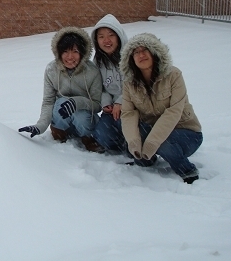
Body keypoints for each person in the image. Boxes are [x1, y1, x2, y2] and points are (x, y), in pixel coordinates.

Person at [120, 33, 203, 183]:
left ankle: (187, 171)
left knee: (163, 143)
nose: (141, 55)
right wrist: (134, 143)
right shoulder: (129, 83)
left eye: (145, 49)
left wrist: (152, 143)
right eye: (136, 52)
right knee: (132, 140)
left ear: (155, 52)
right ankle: (145, 161)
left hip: (186, 132)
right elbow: (128, 114)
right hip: (155, 129)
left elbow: (174, 112)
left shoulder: (174, 75)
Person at [18, 26, 104, 152]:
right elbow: (48, 101)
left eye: (75, 51)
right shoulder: (51, 70)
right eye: (65, 51)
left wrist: (77, 103)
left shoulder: (92, 71)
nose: (70, 57)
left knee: (80, 112)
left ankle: (88, 138)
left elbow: (97, 105)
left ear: (82, 52)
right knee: (61, 103)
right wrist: (40, 126)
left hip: (85, 122)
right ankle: (59, 134)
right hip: (62, 120)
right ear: (58, 52)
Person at [91, 14, 129, 153]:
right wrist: (105, 102)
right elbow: (98, 87)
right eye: (101, 37)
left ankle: (133, 144)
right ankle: (118, 144)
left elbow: (136, 86)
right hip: (111, 110)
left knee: (127, 127)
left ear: (119, 37)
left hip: (132, 108)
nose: (106, 40)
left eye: (111, 35)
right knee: (102, 136)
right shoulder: (98, 61)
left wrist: (121, 102)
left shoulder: (130, 57)